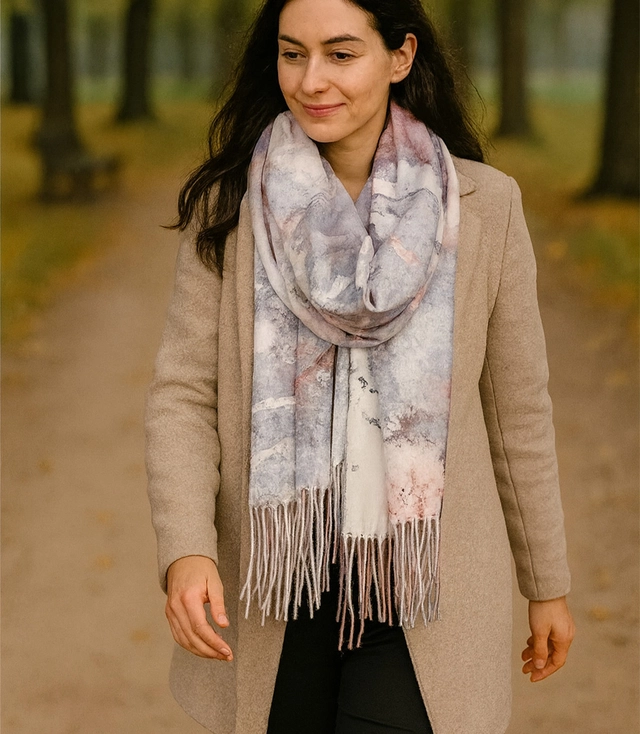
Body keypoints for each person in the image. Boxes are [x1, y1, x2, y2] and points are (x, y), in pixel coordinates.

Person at [145, 0, 576, 732]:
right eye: (293, 54)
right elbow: (185, 394)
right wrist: (186, 549)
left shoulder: (484, 206)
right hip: (274, 584)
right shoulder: (232, 205)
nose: (312, 80)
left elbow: (517, 410)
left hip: (423, 589)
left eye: (341, 54)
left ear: (400, 57)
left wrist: (547, 581)